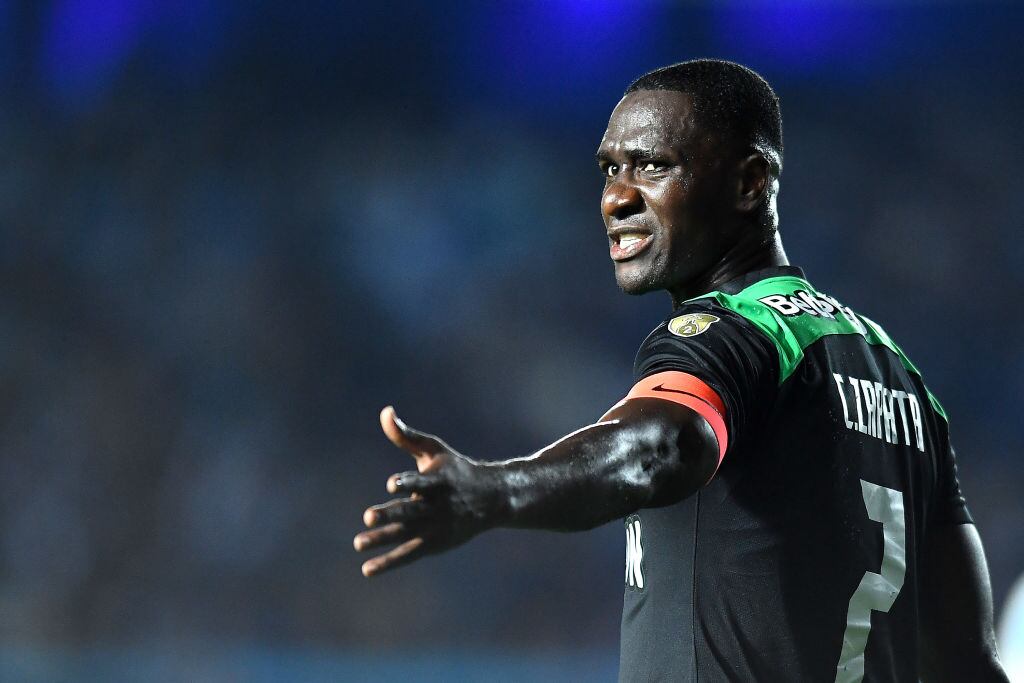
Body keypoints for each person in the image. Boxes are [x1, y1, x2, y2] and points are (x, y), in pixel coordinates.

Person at [353, 59, 1009, 682]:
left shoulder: (735, 335)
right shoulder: (903, 382)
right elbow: (968, 660)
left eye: (652, 166)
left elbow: (665, 442)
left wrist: (497, 490)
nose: (615, 199)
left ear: (750, 182)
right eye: (610, 169)